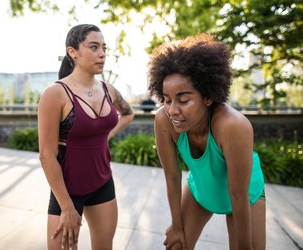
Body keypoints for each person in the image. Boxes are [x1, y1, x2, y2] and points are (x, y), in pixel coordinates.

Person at [148, 33, 266, 250]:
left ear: (208, 97)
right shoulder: (163, 119)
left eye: (183, 100)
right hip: (201, 190)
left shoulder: (233, 125)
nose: (173, 110)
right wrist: (176, 225)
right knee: (176, 245)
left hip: (244, 196)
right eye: (166, 100)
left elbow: (237, 194)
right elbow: (172, 176)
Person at [37, 24, 134, 250]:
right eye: (93, 47)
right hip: (67, 191)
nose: (102, 54)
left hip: (103, 183)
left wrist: (105, 136)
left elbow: (128, 114)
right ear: (73, 52)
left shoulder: (108, 89)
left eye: (104, 48)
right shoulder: (56, 93)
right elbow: (46, 156)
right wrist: (67, 208)